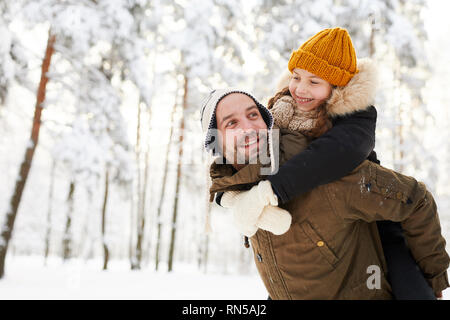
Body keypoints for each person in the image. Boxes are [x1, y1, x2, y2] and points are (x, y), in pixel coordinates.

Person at [200, 27, 449, 299]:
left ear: (336, 88)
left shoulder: (351, 124)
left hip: (374, 211)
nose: (301, 88)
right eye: (296, 77)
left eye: (314, 81)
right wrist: (231, 197)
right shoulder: (280, 115)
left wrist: (269, 191)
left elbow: (337, 156)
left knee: (407, 277)